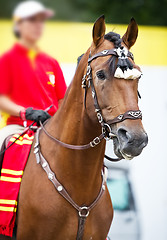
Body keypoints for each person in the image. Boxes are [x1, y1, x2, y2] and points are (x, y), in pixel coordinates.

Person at [0, 1, 67, 149]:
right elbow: (1, 100)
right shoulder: (7, 60)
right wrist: (26, 113)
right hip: (17, 127)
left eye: (41, 21)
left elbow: (62, 100)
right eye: (32, 20)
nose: (38, 25)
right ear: (18, 25)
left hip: (52, 129)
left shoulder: (51, 62)